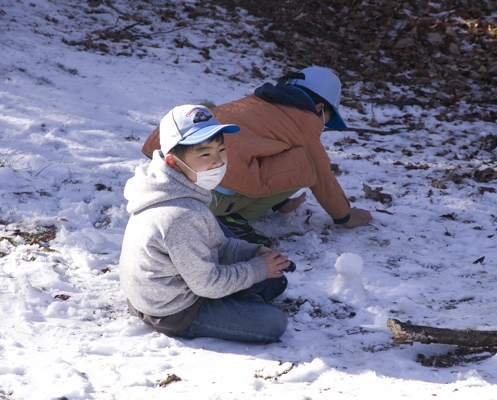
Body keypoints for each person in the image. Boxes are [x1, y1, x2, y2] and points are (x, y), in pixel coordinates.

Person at [142, 66, 373, 246]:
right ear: (320, 108)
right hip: (211, 198)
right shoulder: (306, 122)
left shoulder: (257, 102)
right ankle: (232, 219)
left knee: (209, 111)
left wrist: (279, 201)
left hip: (176, 173)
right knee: (307, 162)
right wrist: (345, 215)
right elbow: (322, 176)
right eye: (327, 119)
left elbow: (258, 150)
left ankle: (176, 173)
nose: (324, 126)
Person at [119, 104, 290, 343]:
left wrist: (252, 252)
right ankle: (238, 300)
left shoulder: (170, 187)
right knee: (273, 322)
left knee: (276, 277)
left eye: (221, 150)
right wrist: (257, 269)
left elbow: (214, 243)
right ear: (173, 162)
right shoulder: (181, 216)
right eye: (205, 154)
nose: (218, 162)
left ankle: (239, 294)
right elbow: (207, 284)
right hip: (172, 310)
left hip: (160, 290)